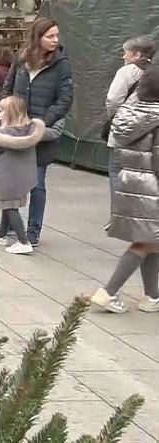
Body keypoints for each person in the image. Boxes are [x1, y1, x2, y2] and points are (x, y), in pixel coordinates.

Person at [90, 64, 159, 314]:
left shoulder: (130, 112)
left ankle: (152, 296)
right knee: (144, 243)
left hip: (130, 183)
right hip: (152, 188)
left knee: (151, 240)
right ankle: (108, 292)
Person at [1, 18, 73, 247]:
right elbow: (8, 87)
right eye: (49, 36)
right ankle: (8, 228)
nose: (54, 40)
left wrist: (43, 122)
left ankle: (33, 231)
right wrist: (8, 111)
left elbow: (65, 99)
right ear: (37, 37)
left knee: (37, 183)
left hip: (40, 133)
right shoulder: (21, 59)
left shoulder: (61, 64)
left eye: (56, 35)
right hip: (16, 130)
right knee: (11, 182)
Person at [0, 97, 53, 255]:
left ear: (10, 114)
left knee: (9, 207)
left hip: (7, 177)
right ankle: (2, 234)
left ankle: (23, 242)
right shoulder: (30, 132)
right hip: (24, 177)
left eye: (2, 111)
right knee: (9, 205)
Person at [105, 36, 154, 196]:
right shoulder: (155, 72)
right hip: (149, 134)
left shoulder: (126, 71)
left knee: (117, 172)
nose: (123, 56)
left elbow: (113, 100)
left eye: (126, 52)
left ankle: (119, 209)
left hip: (124, 132)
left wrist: (117, 119)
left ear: (137, 55)